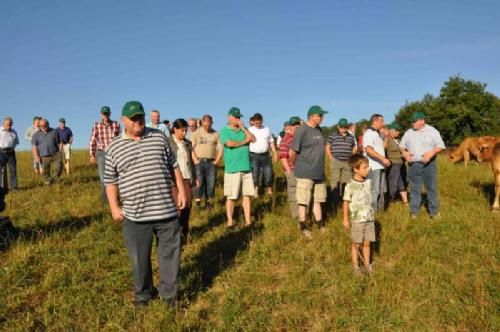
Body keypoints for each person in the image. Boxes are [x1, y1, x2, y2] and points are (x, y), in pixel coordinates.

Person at [104, 101, 186, 308]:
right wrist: (114, 207)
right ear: (124, 121)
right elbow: (110, 181)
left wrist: (182, 191)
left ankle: (169, 296)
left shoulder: (159, 137)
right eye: (133, 119)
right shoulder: (113, 147)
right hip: (135, 216)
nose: (138, 121)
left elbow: (174, 166)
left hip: (166, 211)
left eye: (140, 117)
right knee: (139, 260)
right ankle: (143, 295)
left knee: (170, 257)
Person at [290, 105, 328, 239]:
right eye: (320, 115)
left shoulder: (319, 130)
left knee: (318, 199)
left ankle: (319, 223)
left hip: (319, 172)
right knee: (303, 201)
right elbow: (292, 152)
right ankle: (303, 226)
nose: (322, 118)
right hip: (305, 172)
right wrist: (299, 164)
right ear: (313, 116)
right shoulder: (302, 130)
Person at [400, 112, 445, 219]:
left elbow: (441, 146)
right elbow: (401, 146)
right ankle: (414, 212)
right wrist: (404, 153)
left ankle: (434, 213)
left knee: (431, 188)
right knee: (415, 189)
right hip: (413, 165)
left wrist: (431, 153)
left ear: (422, 121)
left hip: (429, 164)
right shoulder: (408, 133)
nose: (412, 123)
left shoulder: (432, 131)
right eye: (411, 121)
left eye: (414, 121)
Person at [219, 107, 256, 227]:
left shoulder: (242, 130)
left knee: (247, 196)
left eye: (239, 117)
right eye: (236, 117)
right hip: (233, 169)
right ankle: (230, 221)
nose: (238, 119)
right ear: (229, 117)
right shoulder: (224, 130)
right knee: (232, 197)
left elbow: (253, 139)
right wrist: (245, 142)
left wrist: (243, 129)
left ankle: (247, 221)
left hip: (246, 167)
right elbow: (230, 144)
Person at [343, 154, 376, 275]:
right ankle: (356, 266)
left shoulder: (368, 182)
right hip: (357, 220)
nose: (368, 170)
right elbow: (346, 202)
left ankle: (367, 265)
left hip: (369, 218)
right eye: (365, 168)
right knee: (356, 244)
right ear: (356, 169)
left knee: (367, 243)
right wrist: (346, 218)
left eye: (368, 167)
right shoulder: (350, 185)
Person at [169, 119, 198, 245]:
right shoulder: (168, 142)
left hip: (186, 177)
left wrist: (195, 177)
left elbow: (191, 161)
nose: (185, 133)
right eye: (182, 130)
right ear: (174, 129)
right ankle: (175, 236)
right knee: (178, 208)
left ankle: (184, 232)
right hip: (173, 181)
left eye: (186, 130)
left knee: (187, 206)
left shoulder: (188, 143)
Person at [89, 106, 121, 204]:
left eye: (107, 113)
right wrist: (91, 154)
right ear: (101, 114)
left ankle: (116, 199)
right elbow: (92, 140)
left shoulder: (116, 124)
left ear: (110, 114)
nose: (106, 116)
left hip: (113, 152)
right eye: (104, 114)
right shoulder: (97, 125)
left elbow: (120, 139)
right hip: (101, 152)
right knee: (103, 178)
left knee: (116, 176)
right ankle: (105, 201)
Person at [191, 114, 223, 209]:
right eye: (206, 124)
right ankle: (198, 202)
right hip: (199, 161)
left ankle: (208, 202)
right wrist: (195, 160)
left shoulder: (216, 134)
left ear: (212, 123)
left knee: (211, 182)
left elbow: (220, 148)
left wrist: (217, 160)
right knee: (199, 182)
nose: (207, 126)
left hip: (211, 162)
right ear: (202, 122)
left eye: (209, 124)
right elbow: (191, 148)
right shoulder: (196, 133)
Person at [363, 114, 391, 212]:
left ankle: (380, 211)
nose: (383, 123)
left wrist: (386, 138)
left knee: (381, 190)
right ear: (375, 121)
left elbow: (381, 148)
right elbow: (369, 150)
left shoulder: (377, 134)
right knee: (374, 190)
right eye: (382, 121)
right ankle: (372, 212)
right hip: (373, 166)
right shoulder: (369, 133)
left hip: (380, 166)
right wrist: (383, 159)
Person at [326, 118, 357, 207]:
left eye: (345, 127)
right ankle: (335, 203)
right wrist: (331, 158)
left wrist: (352, 156)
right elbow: (327, 147)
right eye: (342, 127)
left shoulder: (351, 137)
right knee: (335, 182)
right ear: (338, 126)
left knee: (347, 183)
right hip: (336, 160)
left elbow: (353, 147)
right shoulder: (332, 135)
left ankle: (345, 202)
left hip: (347, 162)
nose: (343, 128)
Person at [249, 113, 278, 196]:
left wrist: (275, 153)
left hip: (266, 155)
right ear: (254, 121)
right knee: (255, 173)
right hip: (254, 155)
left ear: (262, 121)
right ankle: (256, 191)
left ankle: (269, 190)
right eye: (256, 122)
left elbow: (271, 142)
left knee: (268, 173)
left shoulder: (266, 129)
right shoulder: (250, 130)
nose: (258, 124)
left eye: (260, 122)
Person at [279, 116, 301, 220]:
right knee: (293, 195)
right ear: (290, 127)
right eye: (294, 125)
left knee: (301, 194)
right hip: (292, 170)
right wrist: (288, 171)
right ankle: (296, 216)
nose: (296, 127)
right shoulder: (286, 138)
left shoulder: (299, 138)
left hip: (302, 170)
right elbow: (283, 156)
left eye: (298, 125)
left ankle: (303, 215)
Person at [32, 119, 63, 185]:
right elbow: (34, 147)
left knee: (59, 167)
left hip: (55, 154)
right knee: (45, 171)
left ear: (48, 125)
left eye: (45, 125)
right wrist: (36, 156)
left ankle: (53, 179)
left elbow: (60, 142)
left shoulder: (54, 131)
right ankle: (48, 182)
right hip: (44, 155)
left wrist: (60, 151)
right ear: (39, 126)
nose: (43, 127)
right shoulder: (36, 135)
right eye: (41, 126)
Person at [384, 122, 408, 205]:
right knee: (393, 182)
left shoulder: (398, 140)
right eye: (396, 130)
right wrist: (387, 136)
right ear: (391, 131)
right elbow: (383, 147)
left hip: (401, 164)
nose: (398, 132)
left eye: (398, 131)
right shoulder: (388, 139)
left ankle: (405, 202)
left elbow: (403, 150)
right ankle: (391, 200)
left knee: (402, 182)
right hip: (393, 164)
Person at [0, 117, 19, 191]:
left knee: (13, 170)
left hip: (11, 153)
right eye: (7, 125)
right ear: (3, 124)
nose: (9, 126)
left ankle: (14, 188)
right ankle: (3, 188)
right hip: (1, 152)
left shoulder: (14, 132)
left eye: (10, 125)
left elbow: (16, 142)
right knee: (2, 171)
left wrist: (12, 148)